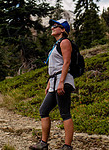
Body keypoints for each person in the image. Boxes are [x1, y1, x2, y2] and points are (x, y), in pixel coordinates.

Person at [30, 19, 75, 150]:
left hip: (63, 81)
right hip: (55, 81)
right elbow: (55, 66)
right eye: (53, 26)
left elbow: (66, 63)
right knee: (43, 110)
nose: (52, 28)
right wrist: (50, 83)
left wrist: (61, 82)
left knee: (65, 113)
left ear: (63, 30)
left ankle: (67, 146)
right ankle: (43, 144)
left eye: (56, 26)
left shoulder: (65, 42)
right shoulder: (57, 45)